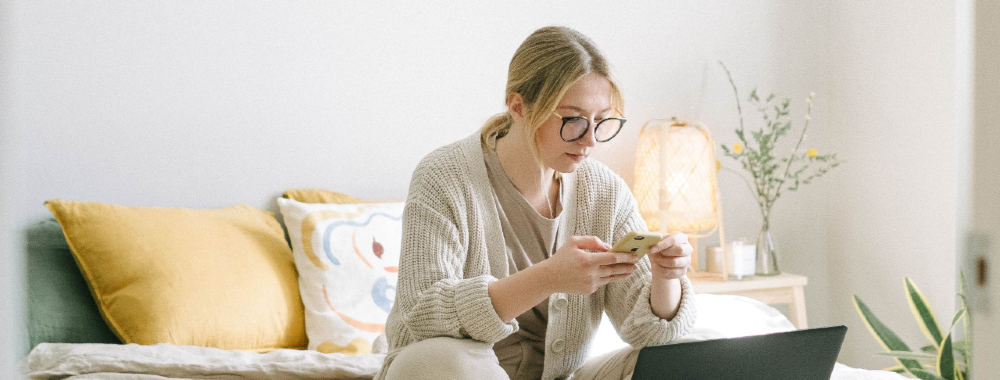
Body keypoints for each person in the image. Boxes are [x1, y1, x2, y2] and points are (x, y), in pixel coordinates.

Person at [375, 26, 696, 380]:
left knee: (695, 354)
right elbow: (421, 314)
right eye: (573, 120)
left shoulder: (605, 191)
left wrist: (666, 277)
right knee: (449, 361)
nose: (590, 140)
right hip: (443, 369)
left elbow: (648, 335)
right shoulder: (444, 176)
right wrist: (548, 278)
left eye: (602, 121)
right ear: (518, 107)